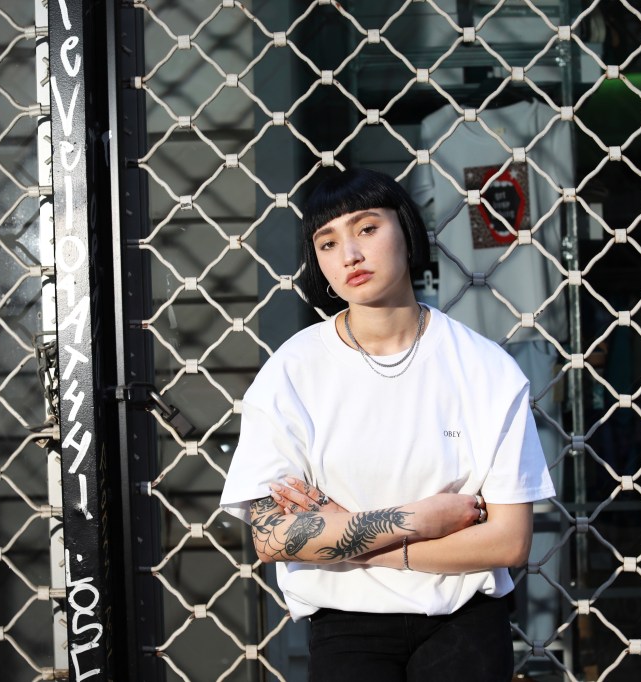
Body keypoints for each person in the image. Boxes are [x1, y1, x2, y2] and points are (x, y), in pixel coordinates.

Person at [219, 167, 556, 681]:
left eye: (367, 228)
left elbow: (508, 542)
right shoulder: (292, 371)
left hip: (464, 624)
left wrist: (348, 537)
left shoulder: (485, 368)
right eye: (328, 243)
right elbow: (273, 536)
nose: (350, 255)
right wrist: (419, 518)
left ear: (406, 229)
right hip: (346, 630)